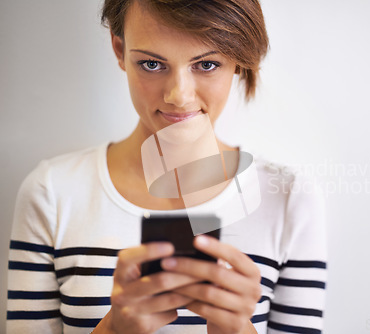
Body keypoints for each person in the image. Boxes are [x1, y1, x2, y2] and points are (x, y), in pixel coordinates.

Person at [7, 0, 327, 333]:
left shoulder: (289, 199)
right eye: (151, 63)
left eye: (206, 64)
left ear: (238, 60)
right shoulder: (53, 193)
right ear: (120, 49)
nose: (179, 95)